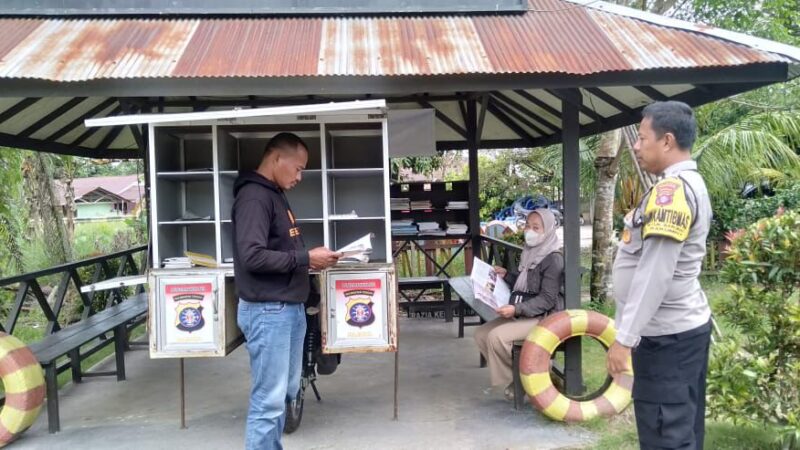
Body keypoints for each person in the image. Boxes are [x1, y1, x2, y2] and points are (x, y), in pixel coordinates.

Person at [606, 101, 712, 450]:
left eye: (641, 137)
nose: (636, 146)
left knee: (667, 436)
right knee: (680, 431)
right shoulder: (677, 186)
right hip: (677, 334)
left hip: (667, 340)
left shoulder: (672, 193)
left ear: (667, 141)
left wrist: (625, 339)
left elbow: (655, 273)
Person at [232, 132, 340, 450]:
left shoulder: (274, 194)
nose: (300, 176)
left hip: (287, 309)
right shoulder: (254, 197)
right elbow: (252, 256)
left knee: (286, 392)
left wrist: (309, 262)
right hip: (269, 311)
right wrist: (307, 258)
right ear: (277, 158)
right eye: (298, 167)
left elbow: (280, 250)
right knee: (269, 401)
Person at [474, 208, 565, 400]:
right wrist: (506, 275)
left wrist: (516, 308)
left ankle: (528, 379)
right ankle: (524, 378)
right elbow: (525, 284)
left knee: (496, 337)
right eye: (527, 226)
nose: (529, 231)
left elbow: (547, 299)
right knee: (481, 334)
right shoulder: (530, 252)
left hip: (543, 316)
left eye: (536, 227)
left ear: (547, 230)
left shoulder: (553, 258)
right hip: (524, 311)